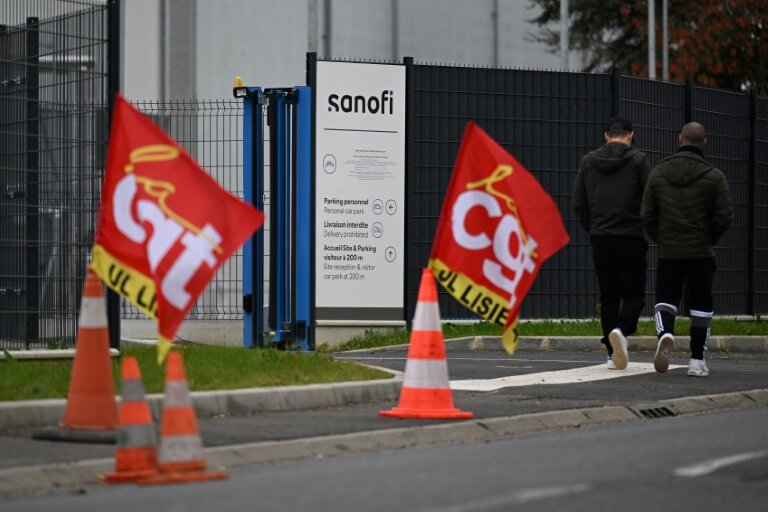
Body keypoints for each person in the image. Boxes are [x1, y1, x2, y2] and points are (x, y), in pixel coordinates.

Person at [641, 122, 733, 377]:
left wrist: (661, 237)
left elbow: (646, 214)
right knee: (701, 303)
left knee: (665, 298)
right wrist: (709, 235)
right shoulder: (714, 176)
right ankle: (697, 360)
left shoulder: (658, 174)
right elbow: (724, 214)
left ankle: (665, 334)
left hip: (669, 250)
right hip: (701, 250)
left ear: (680, 139)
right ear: (704, 142)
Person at [574, 116, 651, 370]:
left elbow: (579, 203)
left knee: (608, 295)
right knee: (634, 294)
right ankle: (622, 330)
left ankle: (610, 352)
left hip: (600, 238)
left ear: (607, 136)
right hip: (630, 236)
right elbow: (649, 197)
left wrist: (593, 227)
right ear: (630, 135)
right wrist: (643, 225)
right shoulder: (639, 160)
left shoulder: (588, 162)